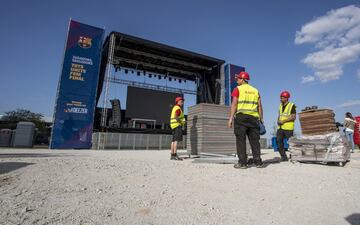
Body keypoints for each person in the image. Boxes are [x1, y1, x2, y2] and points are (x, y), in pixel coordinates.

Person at [228, 71, 264, 169]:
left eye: (238, 79)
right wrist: (261, 119)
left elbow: (234, 104)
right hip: (254, 118)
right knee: (255, 141)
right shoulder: (256, 90)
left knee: (241, 140)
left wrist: (231, 118)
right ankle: (258, 162)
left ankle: (242, 163)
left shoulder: (237, 89)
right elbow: (260, 106)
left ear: (243, 79)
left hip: (241, 118)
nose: (237, 81)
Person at [276, 91, 296, 161]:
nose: (281, 99)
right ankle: (284, 157)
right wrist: (278, 121)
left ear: (287, 98)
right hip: (280, 127)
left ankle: (293, 156)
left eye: (282, 98)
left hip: (288, 128)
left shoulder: (292, 105)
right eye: (280, 97)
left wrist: (283, 121)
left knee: (291, 143)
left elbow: (293, 117)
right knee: (278, 142)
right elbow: (280, 115)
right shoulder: (280, 106)